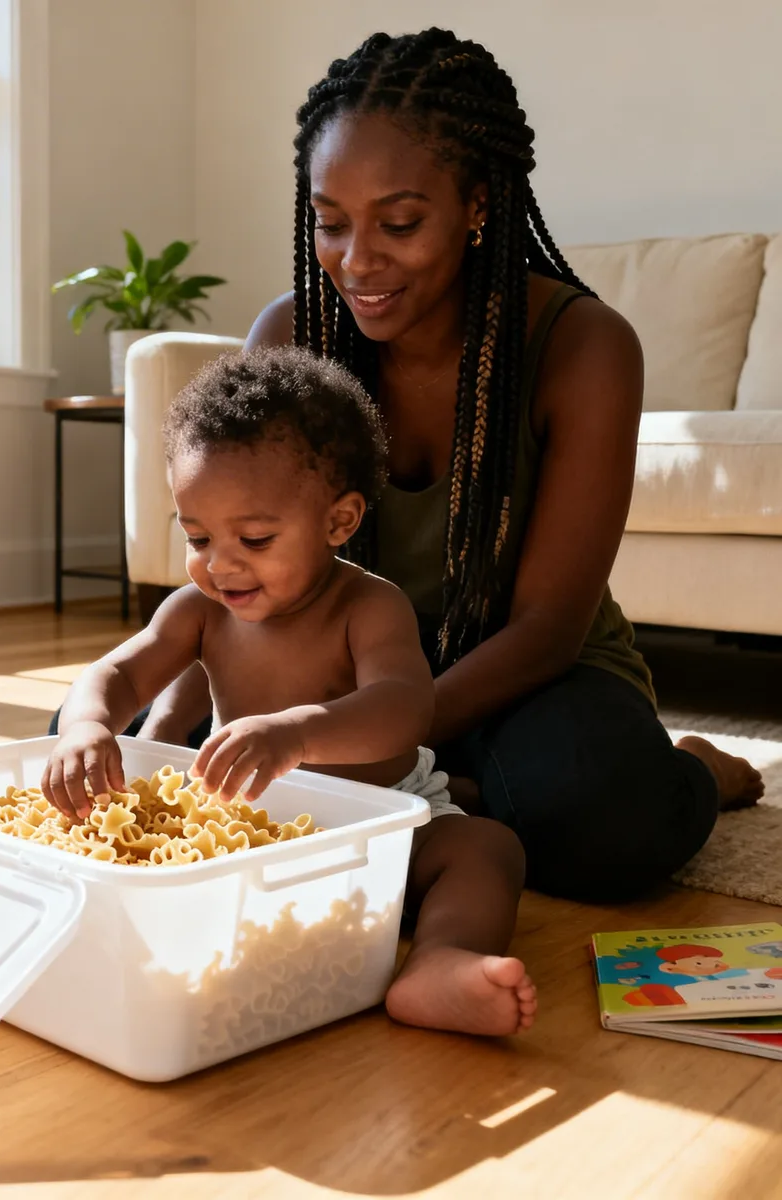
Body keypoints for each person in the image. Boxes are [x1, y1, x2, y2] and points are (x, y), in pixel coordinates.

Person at [134, 27, 762, 904]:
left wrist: (380, 743)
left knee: (603, 821)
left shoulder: (582, 346)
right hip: (332, 661)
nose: (357, 261)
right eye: (330, 222)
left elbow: (545, 629)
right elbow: (238, 589)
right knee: (108, 744)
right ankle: (448, 801)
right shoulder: (290, 338)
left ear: (476, 204)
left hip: (523, 671)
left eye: (398, 223)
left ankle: (696, 769)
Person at [46, 346, 537, 1036]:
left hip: (383, 820)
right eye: (198, 535)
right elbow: (118, 673)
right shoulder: (199, 609)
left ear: (339, 522)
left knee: (487, 851)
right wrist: (86, 727)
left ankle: (441, 960)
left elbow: (405, 709)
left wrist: (299, 734)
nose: (220, 563)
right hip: (249, 827)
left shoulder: (370, 606)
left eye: (254, 537)